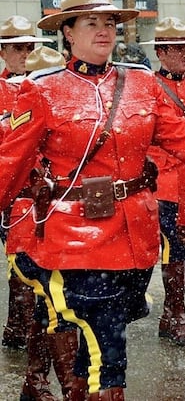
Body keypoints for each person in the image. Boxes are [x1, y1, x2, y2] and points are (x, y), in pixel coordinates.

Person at [0, 0, 185, 399]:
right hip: (71, 234)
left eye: (110, 23)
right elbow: (12, 159)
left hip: (133, 235)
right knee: (104, 344)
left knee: (104, 330)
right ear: (68, 32)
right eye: (92, 22)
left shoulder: (141, 84)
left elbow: (184, 137)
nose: (103, 31)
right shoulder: (41, 89)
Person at [4, 45, 82, 400]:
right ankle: (70, 388)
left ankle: (34, 381)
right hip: (26, 219)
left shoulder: (68, 117)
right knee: (56, 305)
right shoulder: (15, 122)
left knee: (47, 304)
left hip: (62, 222)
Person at [138, 16, 185, 346]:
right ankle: (174, 313)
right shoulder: (148, 86)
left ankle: (173, 313)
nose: (184, 54)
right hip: (164, 184)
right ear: (160, 51)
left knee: (182, 253)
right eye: (176, 48)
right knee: (172, 253)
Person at [0, 14, 52, 351]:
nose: (26, 53)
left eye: (31, 46)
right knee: (19, 266)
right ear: (4, 52)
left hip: (48, 191)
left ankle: (33, 331)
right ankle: (18, 328)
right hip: (12, 189)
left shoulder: (47, 86)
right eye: (19, 47)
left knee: (42, 269)